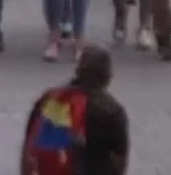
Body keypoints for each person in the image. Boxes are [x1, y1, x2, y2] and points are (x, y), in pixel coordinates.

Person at [19, 44, 130, 175]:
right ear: (107, 76)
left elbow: (29, 144)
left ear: (77, 71)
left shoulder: (50, 98)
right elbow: (120, 160)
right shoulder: (111, 110)